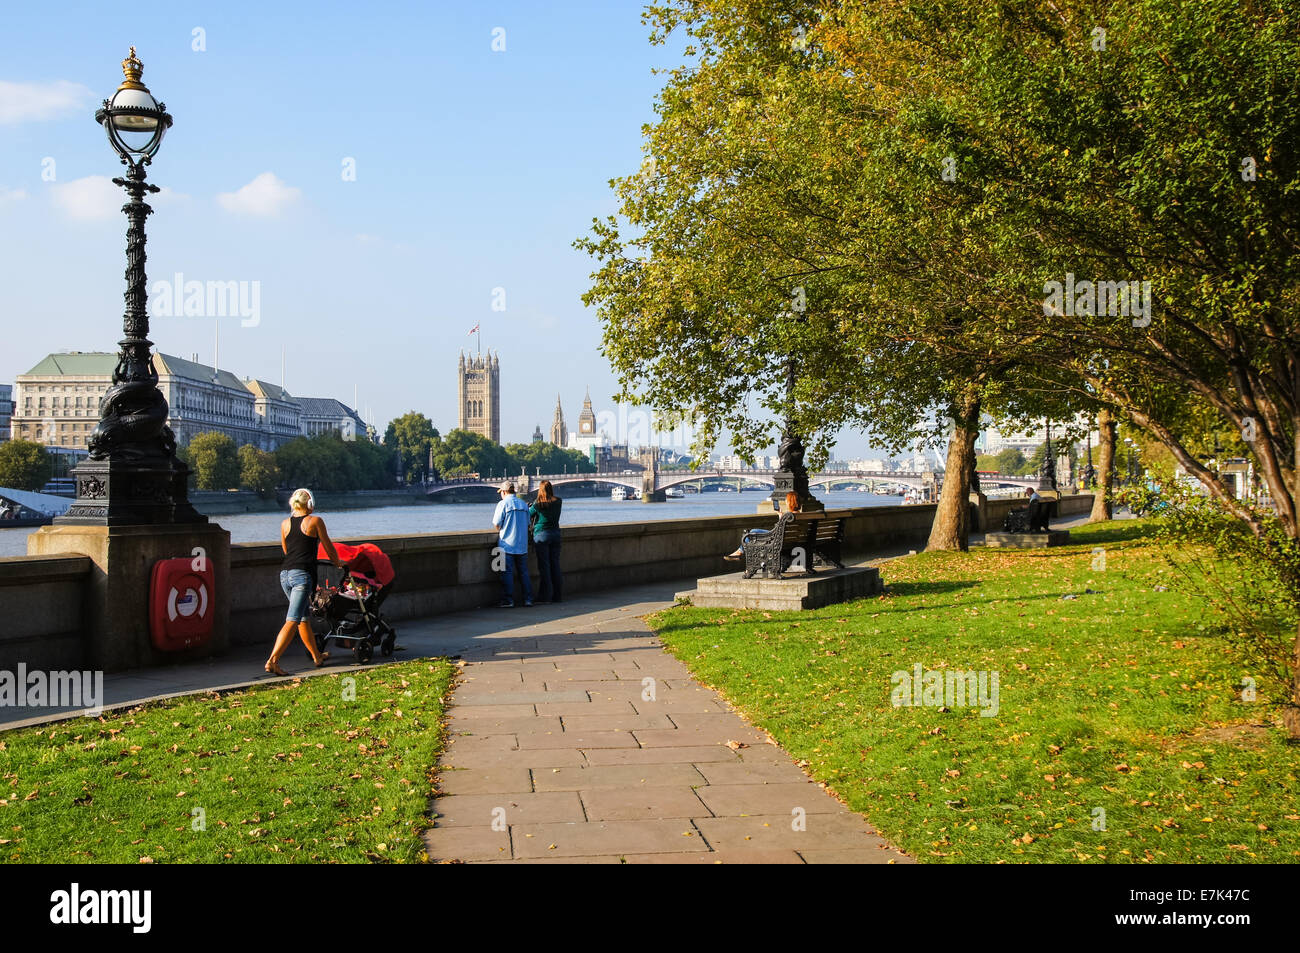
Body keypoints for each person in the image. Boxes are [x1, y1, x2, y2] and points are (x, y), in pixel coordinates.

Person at [264, 488, 346, 676]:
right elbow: (328, 547)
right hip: (302, 575)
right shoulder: (315, 521)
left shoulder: (285, 523)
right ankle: (272, 661)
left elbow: (286, 551)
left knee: (302, 618)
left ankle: (317, 657)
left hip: (285, 574)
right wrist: (337, 563)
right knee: (292, 619)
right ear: (310, 504)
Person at [724, 492, 801, 560]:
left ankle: (739, 552)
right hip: (791, 541)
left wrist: (781, 517)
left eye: (786, 500)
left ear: (790, 502)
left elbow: (779, 531)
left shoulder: (788, 516)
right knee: (752, 534)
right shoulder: (800, 515)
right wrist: (781, 516)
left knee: (751, 533)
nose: (785, 502)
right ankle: (739, 552)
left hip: (778, 539)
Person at [493, 481, 533, 607]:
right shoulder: (523, 504)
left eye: (501, 493)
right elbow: (528, 524)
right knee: (524, 573)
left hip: (507, 545)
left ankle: (508, 600)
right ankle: (528, 599)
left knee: (507, 572)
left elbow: (497, 523)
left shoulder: (502, 504)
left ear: (504, 492)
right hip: (522, 544)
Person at [529, 480, 563, 603]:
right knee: (555, 566)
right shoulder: (558, 502)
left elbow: (529, 514)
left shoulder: (537, 504)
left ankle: (545, 596)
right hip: (555, 534)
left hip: (542, 535)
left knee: (545, 567)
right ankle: (557, 596)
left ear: (540, 490)